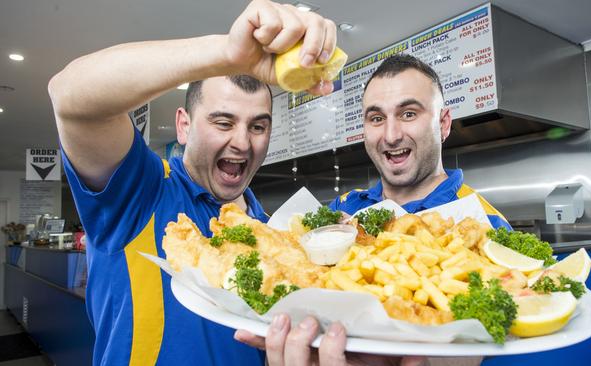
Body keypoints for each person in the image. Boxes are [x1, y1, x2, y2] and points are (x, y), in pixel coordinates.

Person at [47, 1, 365, 364]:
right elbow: (69, 95)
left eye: (258, 126)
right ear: (183, 125)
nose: (243, 142)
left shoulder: (271, 231)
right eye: (223, 122)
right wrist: (227, 52)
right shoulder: (142, 189)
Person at [329, 54, 511, 230]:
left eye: (409, 114)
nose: (391, 136)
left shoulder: (486, 223)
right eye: (377, 118)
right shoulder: (343, 207)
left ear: (443, 124)